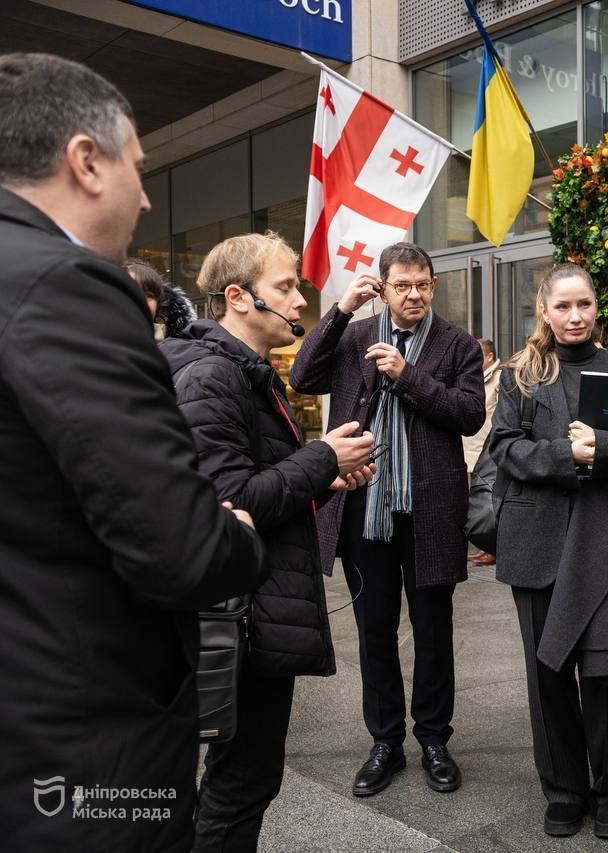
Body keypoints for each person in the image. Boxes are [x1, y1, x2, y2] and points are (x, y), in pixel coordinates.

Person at [0, 52, 264, 850]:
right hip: (78, 744)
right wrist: (237, 536)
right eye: (138, 168)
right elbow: (180, 547)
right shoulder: (69, 284)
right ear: (86, 160)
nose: (147, 197)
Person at [159, 231, 376, 850]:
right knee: (239, 785)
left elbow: (267, 492)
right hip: (239, 616)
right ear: (238, 298)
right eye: (284, 287)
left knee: (248, 780)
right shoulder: (212, 377)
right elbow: (229, 506)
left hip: (256, 610)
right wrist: (321, 457)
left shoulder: (247, 372)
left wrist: (324, 479)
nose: (300, 301)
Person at [290, 242, 486, 798]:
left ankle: (434, 740)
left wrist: (407, 375)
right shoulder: (355, 337)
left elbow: (470, 415)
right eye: (402, 285)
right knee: (374, 631)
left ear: (433, 285)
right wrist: (340, 310)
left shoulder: (456, 344)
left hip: (431, 510)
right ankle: (385, 742)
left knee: (433, 631)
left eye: (422, 284)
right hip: (363, 509)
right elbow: (303, 376)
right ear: (383, 287)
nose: (414, 295)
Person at [490, 263, 608, 841]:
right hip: (539, 541)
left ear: (596, 307)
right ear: (543, 311)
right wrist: (569, 458)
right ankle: (564, 789)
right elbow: (505, 449)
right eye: (563, 306)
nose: (575, 316)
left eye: (584, 304)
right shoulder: (521, 376)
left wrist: (606, 451)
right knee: (549, 676)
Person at [462, 337, 501, 566]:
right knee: (476, 504)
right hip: (469, 450)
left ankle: (491, 547)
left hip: (484, 452)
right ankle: (485, 546)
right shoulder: (473, 378)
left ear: (489, 357)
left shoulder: (499, 378)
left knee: (487, 501)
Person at [126, 257, 196, 340]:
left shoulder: (182, 346)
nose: (141, 300)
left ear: (158, 305)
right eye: (132, 293)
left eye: (148, 296)